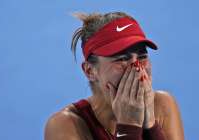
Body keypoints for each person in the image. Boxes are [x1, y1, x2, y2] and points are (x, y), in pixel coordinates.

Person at [44, 12, 184, 140]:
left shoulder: (162, 105)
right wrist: (129, 127)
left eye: (142, 56)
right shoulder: (64, 125)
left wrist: (151, 126)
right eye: (121, 59)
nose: (137, 68)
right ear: (90, 71)